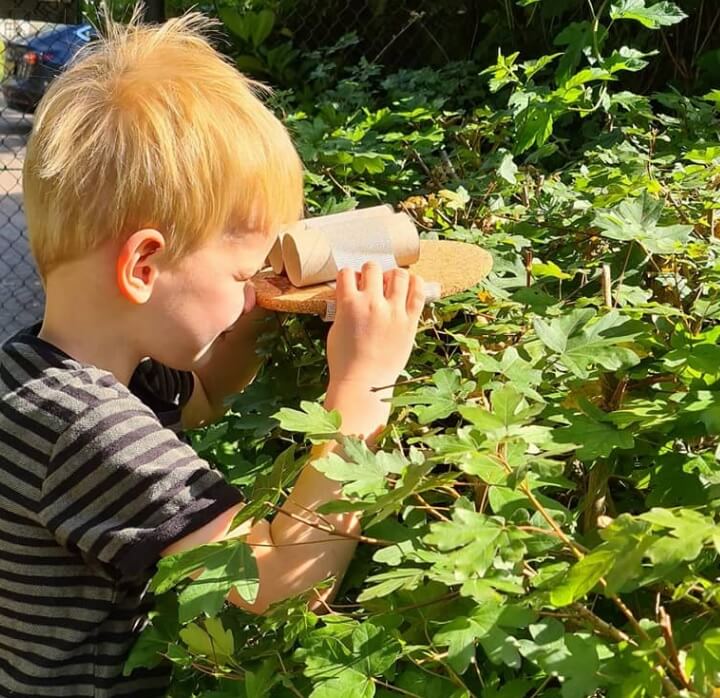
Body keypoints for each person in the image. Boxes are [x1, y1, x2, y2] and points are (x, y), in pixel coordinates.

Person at [0, 4, 426, 696]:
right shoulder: (87, 429)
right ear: (143, 266)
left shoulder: (57, 370)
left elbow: (201, 401)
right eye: (239, 277)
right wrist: (363, 387)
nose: (248, 291)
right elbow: (281, 584)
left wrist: (257, 311)